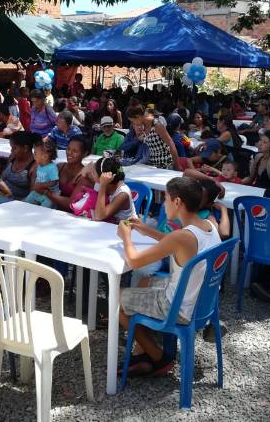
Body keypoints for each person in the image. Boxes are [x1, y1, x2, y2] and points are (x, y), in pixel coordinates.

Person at [117, 176, 221, 376]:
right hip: (199, 301)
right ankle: (142, 351)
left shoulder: (182, 236)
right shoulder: (207, 226)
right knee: (145, 281)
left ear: (177, 202)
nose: (164, 205)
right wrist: (145, 229)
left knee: (116, 300)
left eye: (165, 199)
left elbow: (135, 261)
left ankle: (158, 357)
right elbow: (173, 242)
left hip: (178, 307)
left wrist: (126, 237)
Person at [43, 136, 90, 210]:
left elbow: (71, 204)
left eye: (75, 151)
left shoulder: (84, 177)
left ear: (85, 153)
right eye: (68, 149)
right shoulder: (59, 167)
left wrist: (46, 192)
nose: (69, 153)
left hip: (69, 216)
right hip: (49, 208)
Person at [93, 157, 137, 222]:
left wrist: (102, 186)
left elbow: (99, 216)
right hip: (109, 226)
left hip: (127, 228)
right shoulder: (104, 184)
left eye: (93, 172)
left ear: (102, 177)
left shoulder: (123, 194)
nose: (91, 174)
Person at [1, 131, 38, 199]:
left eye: (14, 148)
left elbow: (33, 195)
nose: (11, 150)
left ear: (25, 148)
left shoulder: (34, 167)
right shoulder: (12, 157)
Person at [25, 138, 58, 207]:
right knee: (27, 201)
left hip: (49, 193)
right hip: (38, 191)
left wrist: (41, 185)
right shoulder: (39, 165)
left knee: (47, 205)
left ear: (45, 156)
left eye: (35, 153)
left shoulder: (52, 167)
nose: (34, 156)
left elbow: (54, 181)